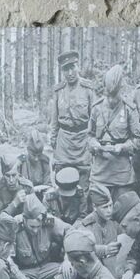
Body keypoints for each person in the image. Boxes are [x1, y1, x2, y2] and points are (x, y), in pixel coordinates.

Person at [89, 64, 140, 201]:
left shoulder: (129, 109)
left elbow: (137, 140)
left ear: (121, 89)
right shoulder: (96, 108)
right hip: (100, 172)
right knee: (99, 211)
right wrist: (94, 144)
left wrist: (123, 147)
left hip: (121, 174)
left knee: (122, 210)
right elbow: (89, 135)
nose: (112, 100)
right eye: (109, 95)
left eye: (115, 95)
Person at [14, 194, 73, 279]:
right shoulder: (15, 226)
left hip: (47, 268)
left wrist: (67, 259)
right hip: (26, 272)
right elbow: (7, 259)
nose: (36, 230)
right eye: (32, 227)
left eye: (38, 226)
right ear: (24, 219)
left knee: (72, 271)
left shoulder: (49, 221)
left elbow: (71, 233)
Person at [49, 50, 94, 192]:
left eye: (72, 67)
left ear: (77, 66)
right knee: (62, 179)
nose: (69, 73)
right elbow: (54, 120)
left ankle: (82, 213)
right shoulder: (58, 91)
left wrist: (92, 141)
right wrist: (54, 140)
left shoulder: (88, 89)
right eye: (65, 69)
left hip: (82, 140)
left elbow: (95, 118)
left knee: (84, 183)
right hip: (64, 143)